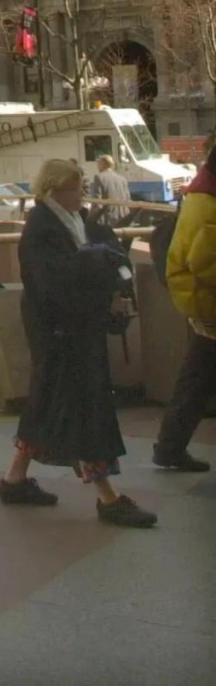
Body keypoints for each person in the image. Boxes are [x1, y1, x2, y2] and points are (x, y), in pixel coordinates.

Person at [0, 157, 157, 527]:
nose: (82, 195)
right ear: (55, 190)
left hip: (63, 332)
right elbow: (56, 284)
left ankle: (14, 480)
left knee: (46, 404)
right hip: (63, 333)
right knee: (85, 413)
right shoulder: (44, 228)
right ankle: (107, 497)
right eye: (76, 188)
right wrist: (103, 294)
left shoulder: (61, 222)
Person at [153, 140, 216, 473]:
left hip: (200, 303)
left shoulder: (201, 194)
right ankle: (169, 447)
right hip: (208, 303)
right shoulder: (207, 203)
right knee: (197, 377)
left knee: (196, 377)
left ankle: (169, 447)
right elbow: (206, 261)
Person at [90, 154, 132, 226]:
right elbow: (127, 198)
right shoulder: (122, 179)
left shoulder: (99, 177)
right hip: (123, 215)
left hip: (108, 217)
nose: (97, 167)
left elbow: (96, 200)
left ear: (102, 164)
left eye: (98, 164)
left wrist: (91, 217)